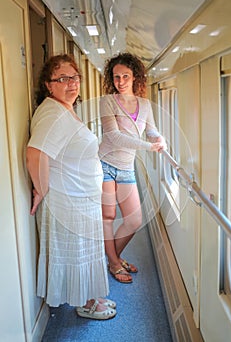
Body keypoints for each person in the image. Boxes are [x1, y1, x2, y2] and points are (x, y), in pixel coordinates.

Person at [26, 54, 116, 320]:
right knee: (79, 253)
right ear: (48, 84)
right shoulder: (53, 114)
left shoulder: (64, 108)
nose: (71, 84)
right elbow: (35, 153)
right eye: (62, 79)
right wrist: (41, 189)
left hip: (80, 196)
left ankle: (91, 296)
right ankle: (87, 303)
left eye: (74, 78)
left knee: (86, 252)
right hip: (68, 201)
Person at [99, 52, 167, 283]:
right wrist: (148, 147)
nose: (120, 82)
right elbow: (115, 137)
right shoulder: (107, 101)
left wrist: (160, 139)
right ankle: (115, 263)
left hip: (126, 168)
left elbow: (151, 129)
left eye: (125, 76)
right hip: (105, 165)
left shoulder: (145, 105)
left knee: (134, 220)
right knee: (107, 217)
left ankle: (112, 259)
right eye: (116, 77)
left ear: (135, 77)